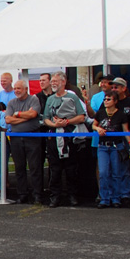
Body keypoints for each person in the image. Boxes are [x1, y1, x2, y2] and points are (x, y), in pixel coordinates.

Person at [41, 72, 87, 207]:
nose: (53, 83)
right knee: (54, 169)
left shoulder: (73, 97)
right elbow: (46, 119)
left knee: (71, 168)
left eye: (56, 81)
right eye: (52, 81)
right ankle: (54, 196)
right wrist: (54, 125)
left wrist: (67, 122)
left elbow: (81, 117)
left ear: (63, 82)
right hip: (54, 138)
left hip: (70, 137)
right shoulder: (50, 99)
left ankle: (72, 195)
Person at [5, 79, 43, 204]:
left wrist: (17, 114)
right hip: (16, 138)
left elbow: (33, 115)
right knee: (19, 167)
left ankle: (37, 194)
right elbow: (8, 120)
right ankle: (22, 194)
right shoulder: (11, 102)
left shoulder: (33, 99)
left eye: (19, 88)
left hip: (32, 137)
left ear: (25, 89)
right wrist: (24, 118)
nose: (16, 91)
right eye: (15, 88)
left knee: (34, 167)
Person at [94, 94, 130, 207]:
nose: (106, 101)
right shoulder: (100, 113)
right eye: (105, 99)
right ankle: (104, 198)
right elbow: (93, 125)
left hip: (116, 146)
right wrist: (98, 128)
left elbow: (126, 131)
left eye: (109, 99)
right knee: (104, 172)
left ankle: (116, 198)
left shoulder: (121, 114)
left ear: (115, 101)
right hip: (103, 146)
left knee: (116, 173)